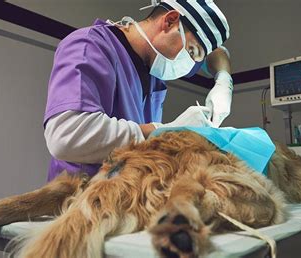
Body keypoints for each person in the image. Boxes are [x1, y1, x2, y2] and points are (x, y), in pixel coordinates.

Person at [43, 0, 232, 181]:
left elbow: (217, 52)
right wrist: (164, 132)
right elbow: (66, 136)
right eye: (191, 52)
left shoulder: (155, 66)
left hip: (125, 200)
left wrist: (224, 81)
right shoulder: (91, 46)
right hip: (79, 201)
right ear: (170, 21)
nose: (189, 63)